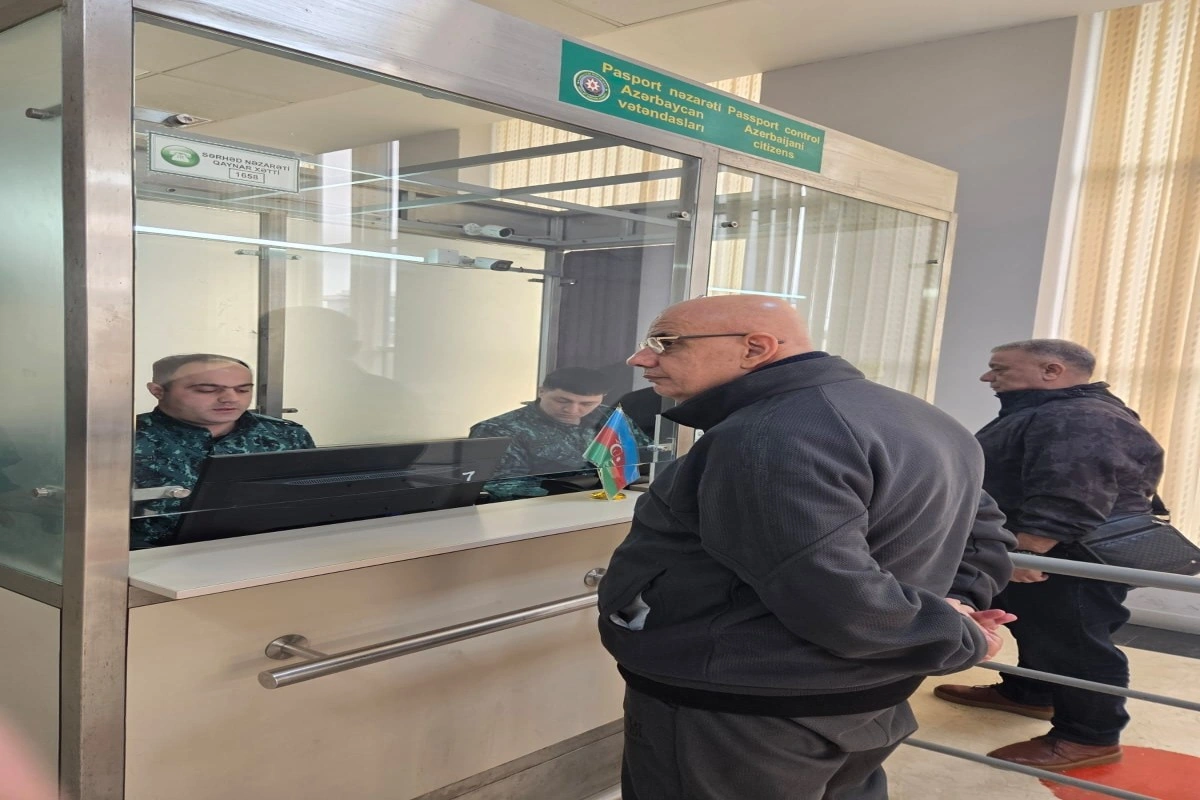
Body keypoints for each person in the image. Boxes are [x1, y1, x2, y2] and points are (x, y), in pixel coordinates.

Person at [599, 295, 1016, 800]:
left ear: (755, 348)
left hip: (747, 708)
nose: (640, 358)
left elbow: (831, 590)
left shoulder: (767, 435)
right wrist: (959, 605)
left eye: (666, 343)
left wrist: (954, 634)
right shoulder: (919, 416)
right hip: (864, 694)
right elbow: (984, 531)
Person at [935, 339, 1165, 770]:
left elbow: (1073, 495)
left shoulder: (1080, 416)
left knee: (1076, 644)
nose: (988, 377)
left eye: (999, 369)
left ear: (1052, 371)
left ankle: (1090, 738)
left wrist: (1028, 553)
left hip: (1068, 557)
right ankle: (1031, 692)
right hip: (1051, 550)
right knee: (1037, 626)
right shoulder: (1057, 411)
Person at [132, 353, 315, 549]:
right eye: (207, 390)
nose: (230, 398)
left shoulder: (285, 434)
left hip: (274, 550)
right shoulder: (125, 439)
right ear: (158, 391)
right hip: (153, 558)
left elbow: (313, 500)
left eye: (243, 390)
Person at [469, 367, 649, 500]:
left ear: (602, 398)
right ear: (541, 391)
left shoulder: (609, 418)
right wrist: (581, 497)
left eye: (586, 404)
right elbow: (501, 486)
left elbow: (644, 457)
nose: (572, 410)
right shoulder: (499, 429)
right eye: (562, 400)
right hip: (538, 510)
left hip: (614, 500)